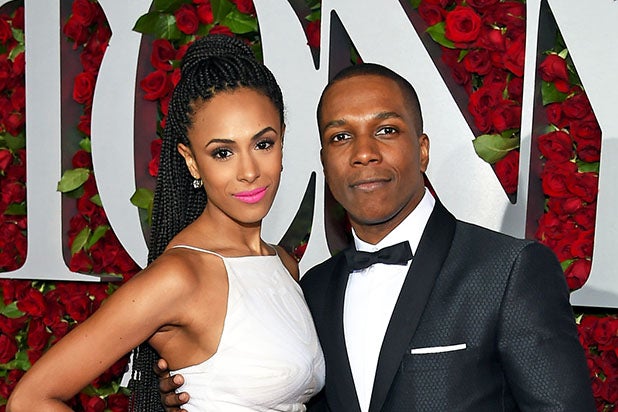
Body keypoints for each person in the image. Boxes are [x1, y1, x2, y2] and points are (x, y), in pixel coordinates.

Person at [157, 63, 595, 411]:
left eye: (386, 130)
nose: (363, 153)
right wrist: (210, 392)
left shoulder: (509, 270)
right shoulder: (314, 289)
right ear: (324, 162)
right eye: (341, 136)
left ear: (422, 150)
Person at [7, 34, 324, 412]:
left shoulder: (284, 264)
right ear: (192, 161)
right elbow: (30, 400)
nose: (249, 171)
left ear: (282, 141)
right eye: (223, 152)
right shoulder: (179, 277)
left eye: (263, 144)